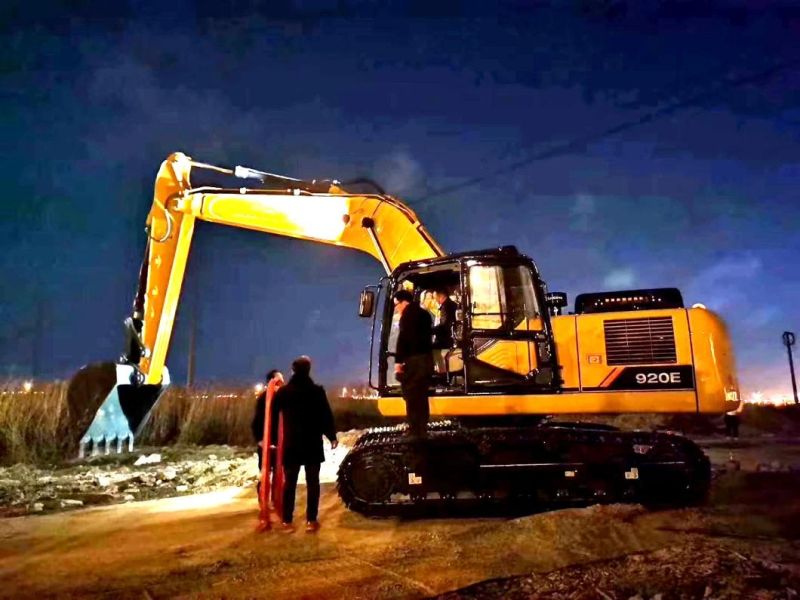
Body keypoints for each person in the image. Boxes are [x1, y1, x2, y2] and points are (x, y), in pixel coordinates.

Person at [270, 356, 338, 533]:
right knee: (313, 483)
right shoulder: (317, 391)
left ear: (293, 371)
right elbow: (325, 415)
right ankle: (311, 521)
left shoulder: (284, 392)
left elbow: (272, 416)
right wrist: (332, 437)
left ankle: (287, 521)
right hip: (312, 443)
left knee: (289, 484)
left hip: (292, 444)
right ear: (308, 371)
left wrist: (272, 440)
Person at [393, 289, 434, 439]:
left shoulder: (407, 316)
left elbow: (402, 340)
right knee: (422, 396)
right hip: (427, 360)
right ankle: (422, 428)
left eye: (397, 304)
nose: (396, 308)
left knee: (411, 395)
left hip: (414, 361)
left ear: (404, 302)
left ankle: (414, 430)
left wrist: (398, 362)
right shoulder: (425, 315)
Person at [432, 289, 458, 374]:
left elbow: (444, 325)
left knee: (429, 348)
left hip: (447, 338)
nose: (435, 300)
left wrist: (430, 330)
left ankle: (439, 373)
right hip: (450, 336)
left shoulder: (446, 307)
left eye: (435, 297)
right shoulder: (452, 304)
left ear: (441, 296)